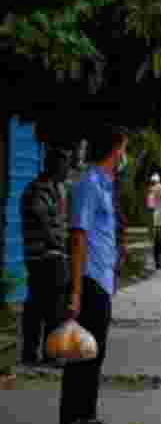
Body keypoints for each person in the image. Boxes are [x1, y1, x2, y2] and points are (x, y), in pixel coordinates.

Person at [58, 126, 130, 424]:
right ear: (114, 150)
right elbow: (78, 237)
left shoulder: (104, 185)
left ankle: (87, 418)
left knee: (95, 353)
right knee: (80, 354)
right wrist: (75, 292)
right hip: (87, 279)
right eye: (124, 149)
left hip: (102, 279)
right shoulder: (87, 185)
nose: (125, 156)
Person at [20, 146, 73, 366]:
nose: (67, 170)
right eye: (64, 165)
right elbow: (42, 221)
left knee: (44, 305)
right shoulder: (39, 189)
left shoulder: (56, 188)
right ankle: (43, 353)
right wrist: (61, 245)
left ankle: (36, 353)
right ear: (53, 165)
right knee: (49, 307)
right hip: (44, 255)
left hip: (50, 255)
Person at [146, 173, 161, 269]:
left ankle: (157, 263)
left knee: (157, 241)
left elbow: (149, 206)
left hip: (155, 217)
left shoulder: (150, 190)